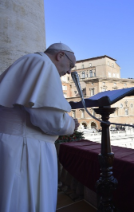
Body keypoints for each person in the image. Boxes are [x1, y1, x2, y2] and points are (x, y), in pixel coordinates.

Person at [0, 43, 80, 212]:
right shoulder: (43, 64)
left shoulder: (29, 61)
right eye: (70, 66)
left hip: (12, 143)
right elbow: (49, 118)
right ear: (60, 56)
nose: (69, 72)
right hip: (24, 148)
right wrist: (71, 124)